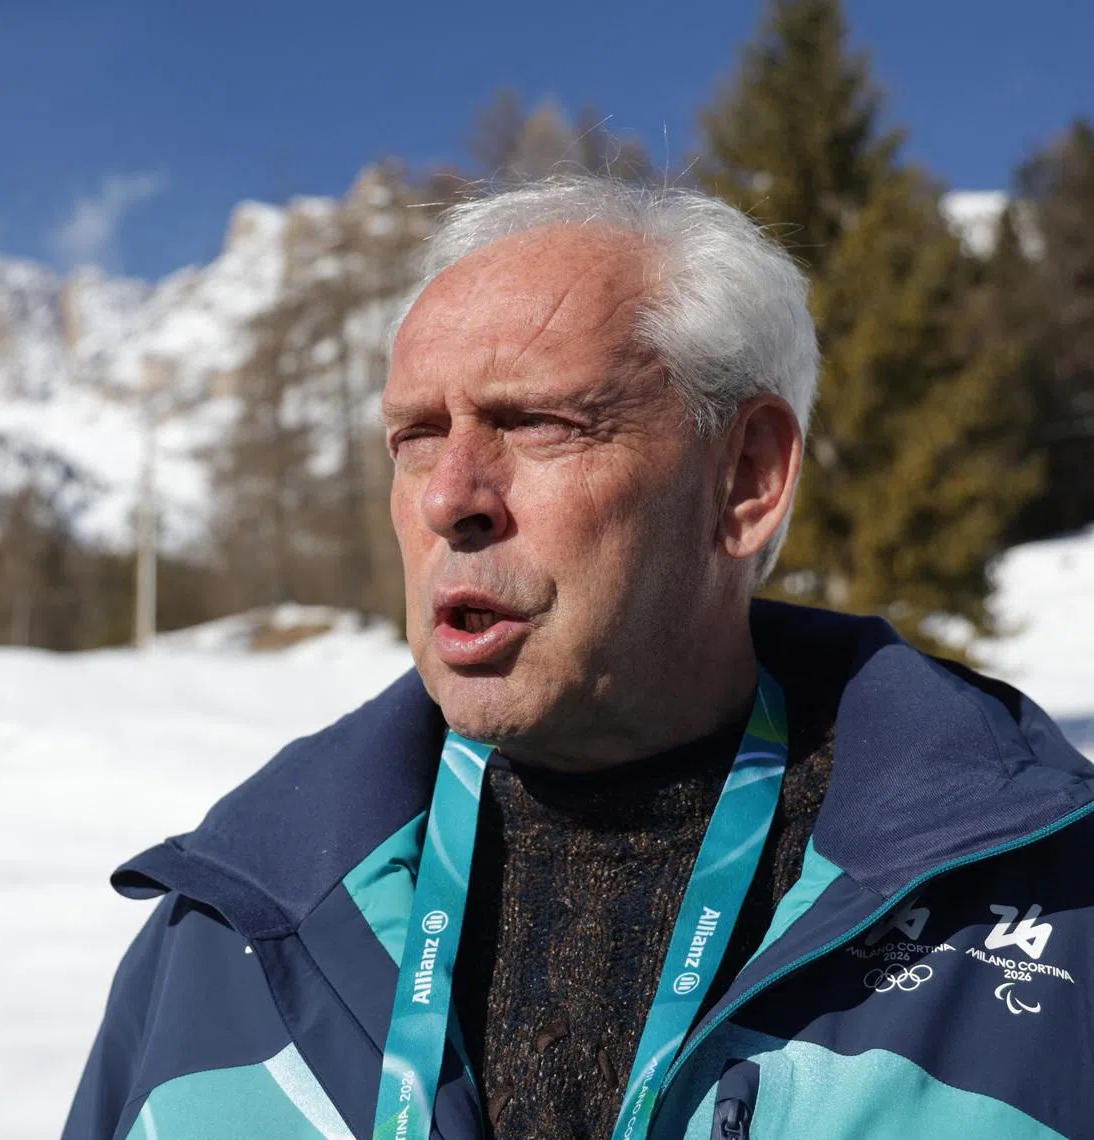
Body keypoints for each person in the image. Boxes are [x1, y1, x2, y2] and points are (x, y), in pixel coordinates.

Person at [65, 177, 1094, 1140]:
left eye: (539, 423)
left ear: (744, 478)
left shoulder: (1061, 912)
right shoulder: (229, 932)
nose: (449, 496)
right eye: (416, 435)